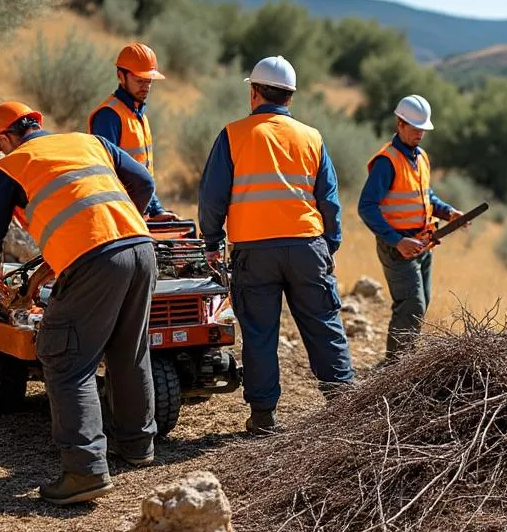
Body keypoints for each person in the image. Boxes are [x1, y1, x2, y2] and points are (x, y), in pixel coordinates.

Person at [0, 101, 158, 505]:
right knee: (129, 350)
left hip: (94, 259)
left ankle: (85, 471)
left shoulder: (14, 164)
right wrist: (121, 224)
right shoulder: (89, 142)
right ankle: (137, 445)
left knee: (65, 358)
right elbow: (144, 182)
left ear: (4, 138)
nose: (0, 152)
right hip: (141, 248)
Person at [197, 55, 355, 434]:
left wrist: (213, 241)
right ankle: (346, 407)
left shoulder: (234, 135)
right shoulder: (312, 137)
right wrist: (328, 246)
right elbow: (329, 201)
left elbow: (212, 197)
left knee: (259, 333)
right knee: (324, 325)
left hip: (255, 252)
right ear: (290, 96)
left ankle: (264, 416)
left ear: (254, 92)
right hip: (307, 247)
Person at [358, 95, 462, 361]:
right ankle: (396, 367)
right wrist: (396, 240)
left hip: (423, 244)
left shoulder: (421, 157)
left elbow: (425, 195)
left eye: (423, 129)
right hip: (397, 248)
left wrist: (447, 212)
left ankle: (405, 360)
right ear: (400, 124)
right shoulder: (387, 161)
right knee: (411, 305)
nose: (420, 134)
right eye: (415, 128)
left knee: (421, 303)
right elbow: (366, 207)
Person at [88, 42, 178, 222]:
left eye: (149, 81)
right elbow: (106, 176)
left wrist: (156, 210)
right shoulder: (108, 116)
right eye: (139, 81)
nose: (145, 87)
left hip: (137, 213)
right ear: (121, 76)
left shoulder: (139, 116)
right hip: (119, 215)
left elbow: (144, 173)